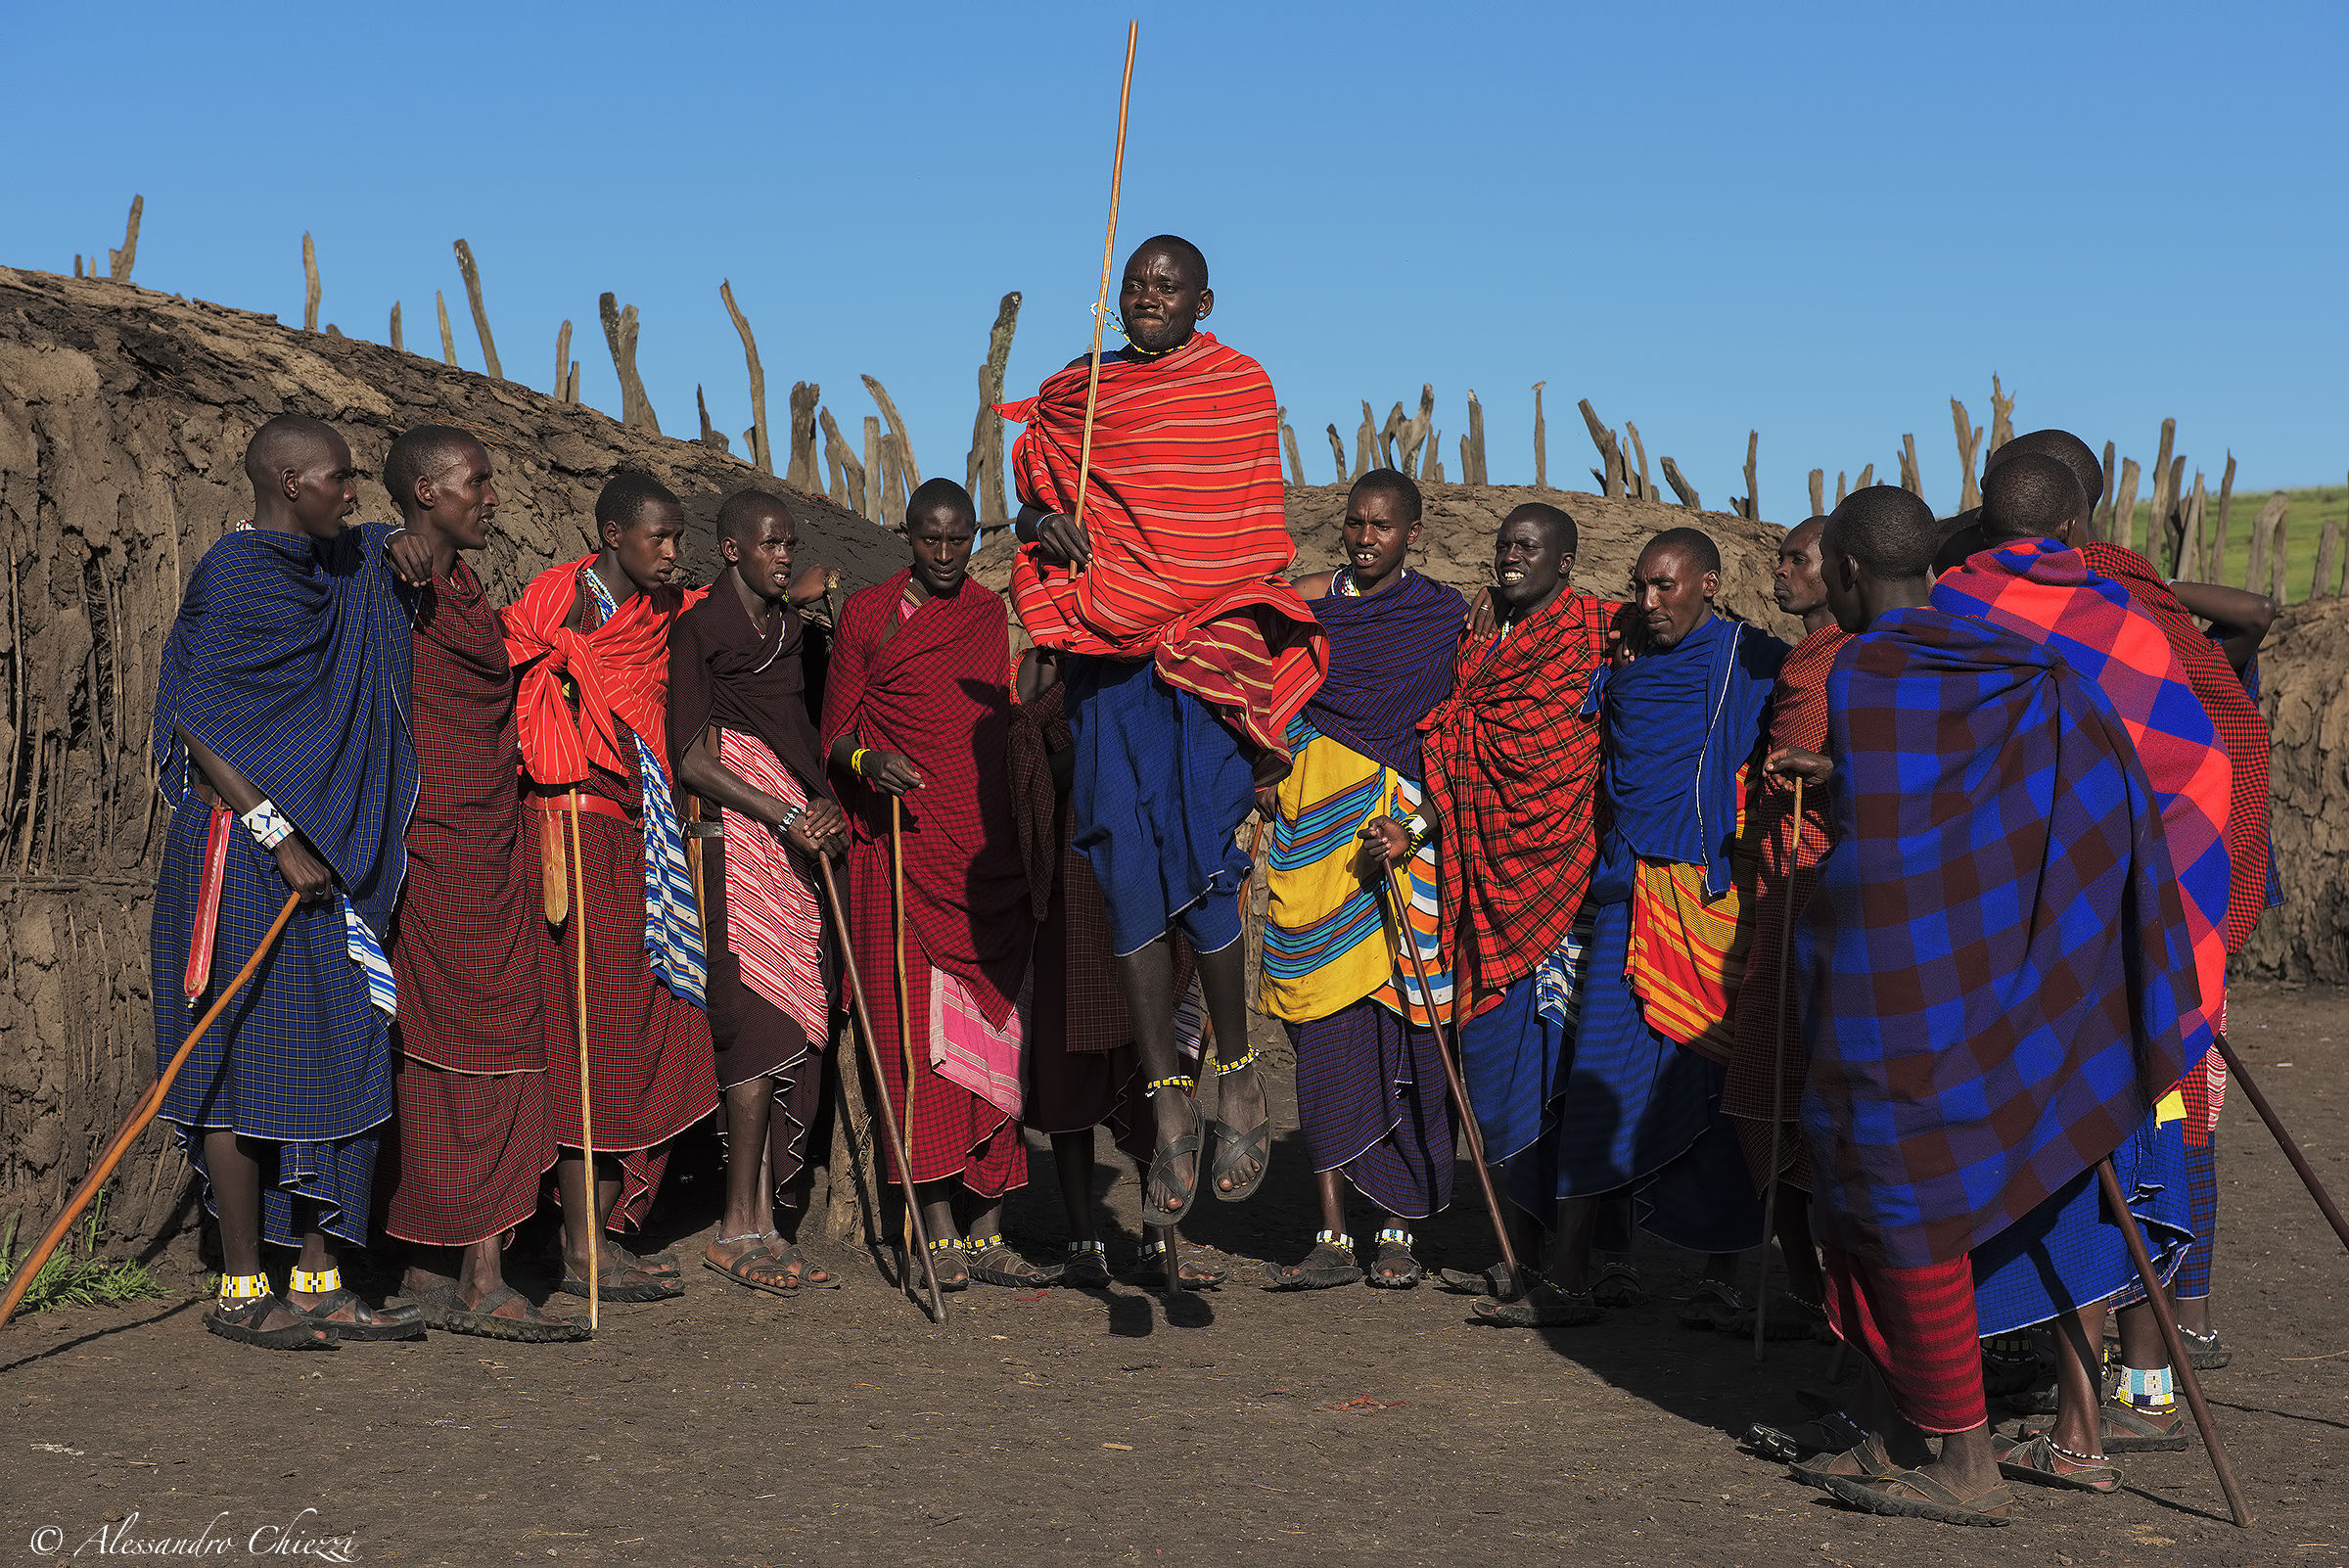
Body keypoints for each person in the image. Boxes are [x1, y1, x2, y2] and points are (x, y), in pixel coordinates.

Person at [1789, 484, 2202, 1525]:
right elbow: (2083, 800)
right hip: (1991, 972)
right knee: (1878, 1189)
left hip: (1902, 982)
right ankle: (1895, 1436)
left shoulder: (1869, 667)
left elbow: (1906, 832)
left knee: (1897, 1191)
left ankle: (1963, 1465)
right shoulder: (2022, 665)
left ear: (1842, 573)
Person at [1006, 236, 1326, 1247]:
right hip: (1110, 652)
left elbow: (1231, 523)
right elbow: (1038, 489)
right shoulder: (1082, 398)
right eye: (1136, 287)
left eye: (1168, 287)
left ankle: (1236, 1075)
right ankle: (1168, 1098)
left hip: (1204, 641)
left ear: (1203, 299)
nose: (1148, 298)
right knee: (1121, 865)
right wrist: (1044, 517)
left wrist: (1168, 586)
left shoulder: (1234, 387)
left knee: (1198, 851)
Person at [1930, 456, 2224, 1486]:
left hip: (1990, 950)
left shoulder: (1943, 622)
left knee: (2003, 1165)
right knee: (2102, 1163)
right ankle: (2080, 1426)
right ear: (2080, 522)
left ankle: (1980, 1418)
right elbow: (2197, 782)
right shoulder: (2128, 625)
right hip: (2121, 945)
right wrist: (2166, 928)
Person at [1985, 429, 2278, 1369]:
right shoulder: (2135, 615)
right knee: (2163, 1114)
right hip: (2162, 916)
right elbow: (2208, 763)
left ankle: (2153, 1338)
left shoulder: (1983, 602)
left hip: (2043, 918)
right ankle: (2137, 1361)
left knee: (2088, 1123)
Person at [1472, 527, 1788, 1329]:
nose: (1650, 603)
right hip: (1626, 893)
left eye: (1667, 588)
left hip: (1714, 900)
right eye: (1641, 586)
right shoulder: (1625, 664)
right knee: (1597, 1075)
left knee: (1717, 1083)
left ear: (1710, 585)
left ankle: (1725, 1270)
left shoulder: (1750, 663)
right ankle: (1573, 1273)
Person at [151, 414, 422, 1348]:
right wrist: (274, 831)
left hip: (321, 855)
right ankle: (238, 1289)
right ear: (294, 482)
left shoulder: (335, 569)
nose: (356, 494)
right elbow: (198, 716)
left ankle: (315, 1274)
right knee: (237, 1055)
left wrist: (393, 547)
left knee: (330, 1044)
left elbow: (392, 547)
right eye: (343, 480)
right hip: (240, 852)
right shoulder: (237, 578)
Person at [377, 426, 580, 1342]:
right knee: (482, 1050)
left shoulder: (456, 585)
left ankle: (431, 1261)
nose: (492, 498)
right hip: (434, 846)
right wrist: (376, 546)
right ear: (424, 492)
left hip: (491, 837)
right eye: (477, 484)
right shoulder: (388, 577)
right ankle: (477, 1278)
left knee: (468, 1048)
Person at [505, 469, 719, 1303]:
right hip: (571, 828)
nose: (671, 551)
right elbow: (515, 678)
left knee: (647, 1021)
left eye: (678, 538)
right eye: (657, 537)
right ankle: (580, 1246)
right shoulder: (561, 603)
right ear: (611, 537)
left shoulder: (671, 615)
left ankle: (605, 1226)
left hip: (643, 833)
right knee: (587, 1028)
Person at [824, 479, 1041, 1288]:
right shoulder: (869, 616)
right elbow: (836, 734)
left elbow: (1004, 730)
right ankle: (933, 1227)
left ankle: (989, 1226)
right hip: (901, 849)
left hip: (982, 855)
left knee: (995, 1042)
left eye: (959, 542)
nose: (946, 557)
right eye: (930, 541)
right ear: (906, 534)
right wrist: (866, 762)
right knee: (917, 1040)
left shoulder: (989, 616)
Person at [1257, 470, 1466, 1291]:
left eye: (1382, 526)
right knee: (1321, 1040)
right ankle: (1333, 1236)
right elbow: (1268, 701)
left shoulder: (1444, 616)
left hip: (1400, 840)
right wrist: (1271, 766)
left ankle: (1400, 1231)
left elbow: (1452, 735)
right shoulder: (1309, 608)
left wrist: (1415, 826)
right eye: (1355, 524)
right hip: (1315, 842)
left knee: (1406, 1031)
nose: (1365, 538)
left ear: (1413, 532)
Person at [1416, 502, 1620, 1305]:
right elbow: (1460, 745)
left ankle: (1574, 1263)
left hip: (1563, 886)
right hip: (1483, 884)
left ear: (1565, 562)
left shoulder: (1600, 632)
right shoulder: (1479, 639)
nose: (1511, 559)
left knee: (1566, 1076)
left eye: (1529, 548)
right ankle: (1518, 1250)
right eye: (1504, 546)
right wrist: (1413, 828)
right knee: (1500, 1073)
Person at [668, 488, 849, 1295]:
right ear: (732, 548)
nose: (785, 554)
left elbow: (804, 734)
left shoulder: (787, 632)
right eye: (770, 544)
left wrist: (815, 806)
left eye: (790, 543)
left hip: (798, 846)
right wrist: (780, 811)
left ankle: (766, 1223)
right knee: (754, 1023)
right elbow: (692, 758)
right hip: (740, 842)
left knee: (797, 1024)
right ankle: (733, 1223)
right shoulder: (700, 629)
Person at [1007, 647, 1212, 1288]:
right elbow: (1041, 776)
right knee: (1067, 1065)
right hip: (1075, 882)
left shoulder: (1164, 657)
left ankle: (1157, 1238)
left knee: (1160, 1064)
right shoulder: (1045, 669)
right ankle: (1082, 1238)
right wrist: (1104, 741)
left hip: (1151, 871)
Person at [1719, 517, 1844, 1337]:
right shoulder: (1801, 657)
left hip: (1817, 885)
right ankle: (1806, 1284)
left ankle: (1820, 1290)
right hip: (1775, 883)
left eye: (1798, 560)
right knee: (1761, 1096)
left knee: (1778, 1094)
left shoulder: (1856, 657)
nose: (1780, 572)